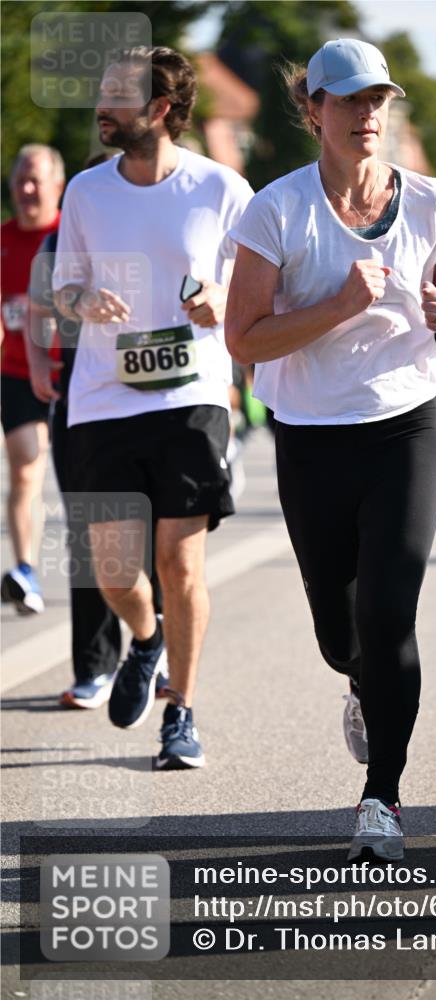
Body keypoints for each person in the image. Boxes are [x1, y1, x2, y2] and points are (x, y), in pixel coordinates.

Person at [225, 38, 436, 859]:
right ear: (312, 110)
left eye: (377, 98)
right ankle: (358, 681)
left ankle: (382, 797)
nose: (366, 113)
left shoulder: (429, 201)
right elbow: (243, 339)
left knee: (388, 616)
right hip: (311, 440)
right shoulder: (275, 211)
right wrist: (341, 304)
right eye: (347, 100)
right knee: (338, 633)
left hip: (407, 427)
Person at [53, 46, 253, 766]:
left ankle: (183, 711)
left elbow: (261, 287)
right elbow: (63, 288)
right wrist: (83, 299)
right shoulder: (85, 192)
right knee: (113, 572)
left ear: (161, 110)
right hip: (105, 397)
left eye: (115, 96)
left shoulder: (221, 189)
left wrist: (221, 299)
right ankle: (145, 640)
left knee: (179, 561)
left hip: (192, 394)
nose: (100, 108)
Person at [26, 154, 168, 709]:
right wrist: (40, 365)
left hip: (155, 403)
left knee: (159, 540)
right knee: (90, 537)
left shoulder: (153, 228)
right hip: (82, 404)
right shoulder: (59, 241)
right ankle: (94, 666)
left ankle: (154, 653)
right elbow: (40, 310)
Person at [1, 145, 63, 614]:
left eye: (35, 180)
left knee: (80, 482)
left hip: (77, 374)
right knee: (26, 463)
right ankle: (24, 569)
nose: (25, 189)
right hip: (18, 372)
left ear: (57, 186)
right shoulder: (3, 241)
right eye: (19, 179)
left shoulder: (72, 236)